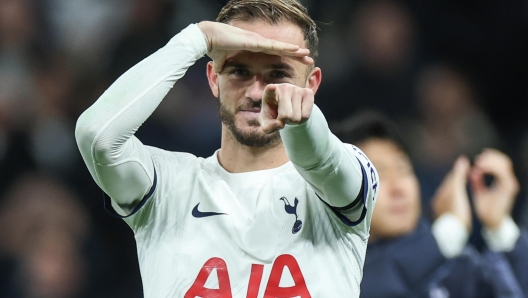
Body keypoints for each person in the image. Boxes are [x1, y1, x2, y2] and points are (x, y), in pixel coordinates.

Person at [75, 0, 379, 297]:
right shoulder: (166, 187)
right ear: (213, 79)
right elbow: (97, 136)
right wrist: (196, 38)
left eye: (278, 75)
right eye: (240, 71)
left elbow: (320, 159)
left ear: (311, 84)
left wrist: (302, 122)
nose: (257, 92)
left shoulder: (344, 185)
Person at [333, 112, 528, 298]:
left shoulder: (453, 263)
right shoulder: (331, 269)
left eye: (403, 169)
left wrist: (501, 229)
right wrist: (449, 232)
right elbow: (377, 284)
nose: (398, 188)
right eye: (378, 175)